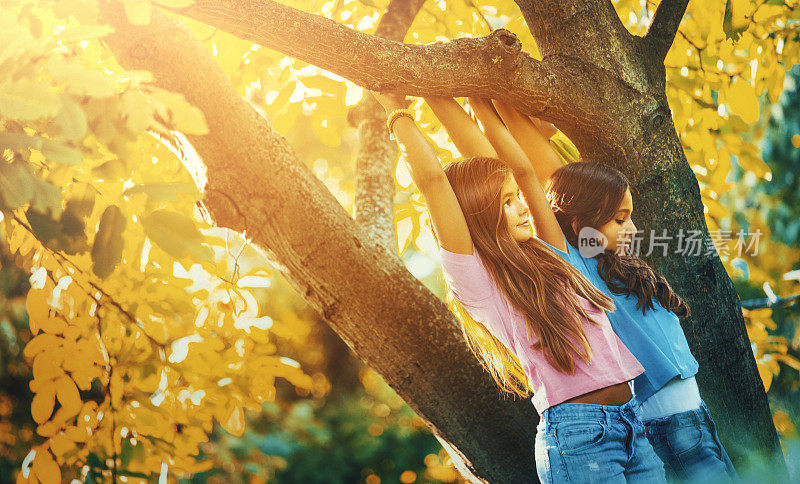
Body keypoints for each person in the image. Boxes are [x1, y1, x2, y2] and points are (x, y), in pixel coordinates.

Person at [371, 90, 666, 483]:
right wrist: (396, 110)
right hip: (579, 437)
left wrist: (452, 90)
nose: (523, 205)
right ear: (480, 214)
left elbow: (522, 173)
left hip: (632, 424)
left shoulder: (549, 253)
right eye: (506, 202)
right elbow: (434, 185)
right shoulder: (479, 282)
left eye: (517, 199)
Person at [490, 106, 738, 483]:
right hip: (667, 427)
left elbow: (565, 181)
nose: (632, 228)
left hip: (694, 419)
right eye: (620, 218)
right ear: (581, 223)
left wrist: (503, 97)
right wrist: (487, 103)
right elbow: (538, 174)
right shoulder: (579, 260)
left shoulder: (614, 261)